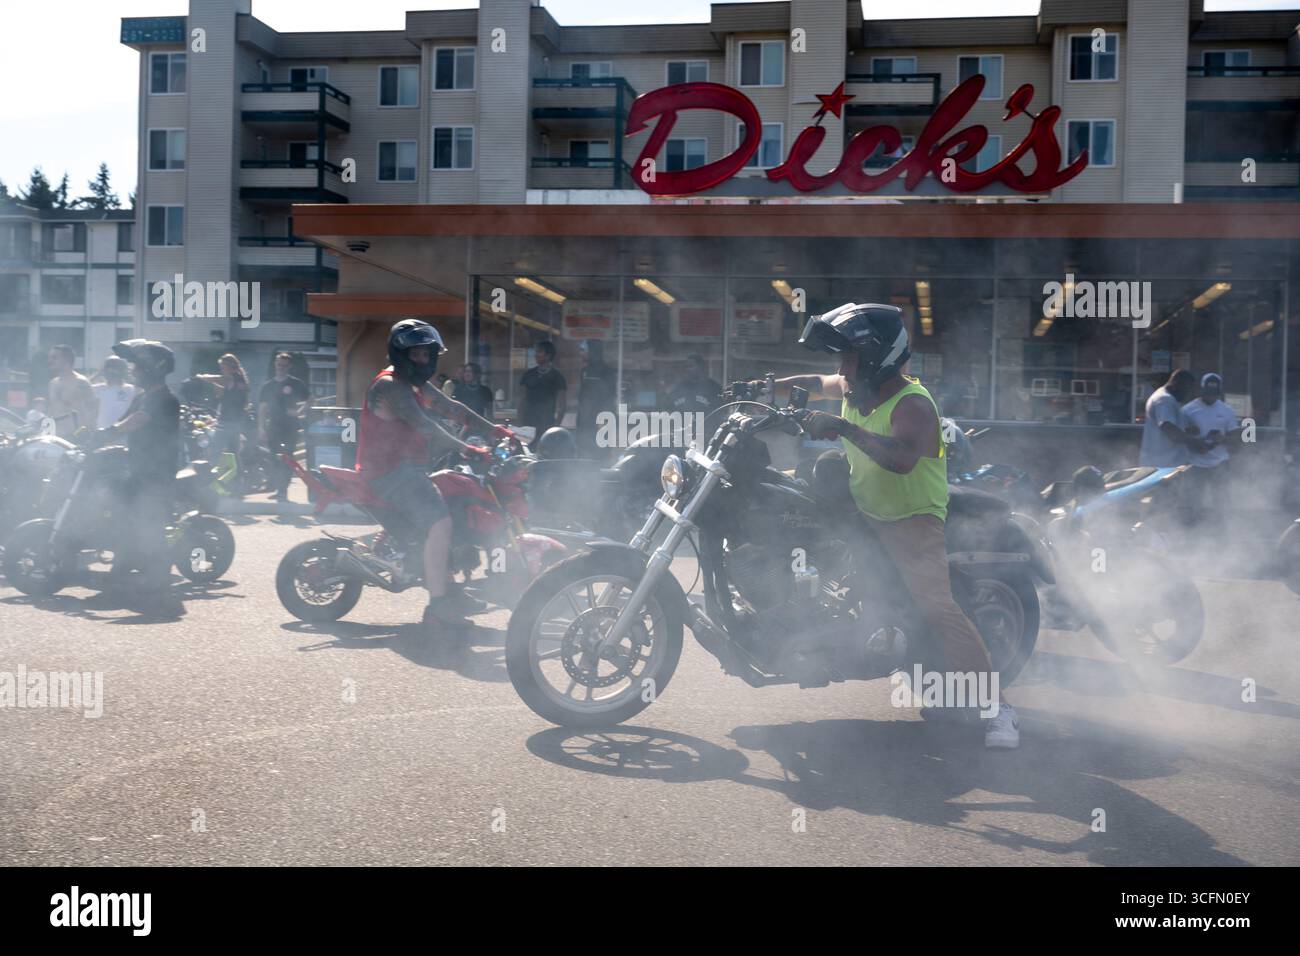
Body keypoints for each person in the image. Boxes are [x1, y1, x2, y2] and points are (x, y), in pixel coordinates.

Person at [765, 302, 1019, 749]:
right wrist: (766, 386)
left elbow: (901, 459)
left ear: (878, 355)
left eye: (849, 357)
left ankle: (998, 708)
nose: (842, 368)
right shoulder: (854, 387)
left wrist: (843, 428)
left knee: (940, 611)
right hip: (863, 510)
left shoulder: (914, 404)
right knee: (806, 490)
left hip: (911, 523)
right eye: (841, 359)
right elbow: (813, 382)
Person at [357, 319, 513, 631]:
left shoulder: (413, 383)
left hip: (409, 469)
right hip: (388, 474)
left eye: (427, 355)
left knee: (456, 505)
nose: (423, 360)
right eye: (416, 354)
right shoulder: (390, 386)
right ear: (400, 353)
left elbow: (450, 406)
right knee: (440, 523)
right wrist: (468, 449)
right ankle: (438, 607)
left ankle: (451, 589)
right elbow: (426, 426)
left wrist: (492, 429)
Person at [97, 339, 182, 613]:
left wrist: (110, 432)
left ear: (151, 368)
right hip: (137, 471)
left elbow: (137, 421)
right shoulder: (141, 396)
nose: (132, 370)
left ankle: (157, 588)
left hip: (156, 477)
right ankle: (121, 580)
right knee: (124, 520)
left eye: (136, 365)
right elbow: (124, 419)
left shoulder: (165, 399)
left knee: (149, 529)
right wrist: (97, 434)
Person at [1182, 372, 1240, 524]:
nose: (1211, 397)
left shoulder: (1227, 410)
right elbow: (1180, 437)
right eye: (1208, 393)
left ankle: (1223, 531)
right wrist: (1194, 442)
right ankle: (1190, 530)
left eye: (1214, 393)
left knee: (1222, 502)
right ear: (1201, 390)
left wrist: (1222, 439)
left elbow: (1237, 438)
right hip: (1194, 463)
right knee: (1192, 502)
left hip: (1219, 463)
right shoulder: (1188, 410)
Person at [258, 352, 310, 501]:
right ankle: (279, 488)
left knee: (287, 458)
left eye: (284, 365)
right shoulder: (268, 386)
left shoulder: (295, 383)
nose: (281, 367)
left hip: (290, 427)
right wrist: (261, 428)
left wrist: (298, 412)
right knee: (274, 458)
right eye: (279, 364)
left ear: (289, 367)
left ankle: (282, 490)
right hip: (273, 426)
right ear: (275, 364)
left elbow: (310, 399)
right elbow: (262, 409)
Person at [1139, 369, 1206, 467]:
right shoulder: (1164, 400)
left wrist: (1187, 430)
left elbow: (1166, 428)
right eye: (1187, 390)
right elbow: (1168, 428)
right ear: (1177, 384)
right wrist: (1194, 442)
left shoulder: (1166, 398)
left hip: (1164, 464)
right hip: (1161, 467)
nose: (1188, 395)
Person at [195, 353, 252, 458]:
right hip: (237, 421)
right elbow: (229, 395)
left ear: (229, 366)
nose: (221, 369)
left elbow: (217, 378)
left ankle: (211, 473)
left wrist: (202, 377)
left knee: (215, 451)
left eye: (222, 366)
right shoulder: (241, 380)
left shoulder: (231, 378)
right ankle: (237, 473)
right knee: (233, 453)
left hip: (227, 421)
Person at [46, 344, 97, 439]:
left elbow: (93, 411)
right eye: (49, 357)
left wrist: (85, 433)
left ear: (67, 360)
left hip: (76, 437)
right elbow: (52, 410)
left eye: (54, 357)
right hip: (56, 437)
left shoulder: (81, 382)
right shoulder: (52, 383)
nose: (50, 361)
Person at [575, 342, 616, 458]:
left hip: (599, 421)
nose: (581, 353)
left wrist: (605, 423)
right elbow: (582, 397)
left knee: (600, 454)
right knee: (584, 454)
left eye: (584, 350)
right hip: (585, 422)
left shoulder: (607, 372)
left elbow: (609, 398)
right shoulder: (584, 371)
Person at [519, 340, 567, 437]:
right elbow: (521, 400)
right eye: (536, 352)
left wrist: (555, 428)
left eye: (539, 352)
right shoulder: (528, 374)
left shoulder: (557, 377)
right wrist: (519, 423)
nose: (536, 355)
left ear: (548, 355)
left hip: (547, 424)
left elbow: (562, 406)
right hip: (528, 424)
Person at [92, 356, 140, 431]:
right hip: (102, 431)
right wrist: (97, 374)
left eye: (116, 368)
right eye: (109, 368)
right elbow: (83, 388)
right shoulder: (98, 388)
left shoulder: (131, 389)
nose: (113, 372)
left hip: (123, 431)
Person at [669, 353, 722, 417]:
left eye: (691, 366)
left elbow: (720, 411)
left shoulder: (714, 387)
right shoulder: (679, 387)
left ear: (701, 367)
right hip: (683, 426)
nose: (687, 369)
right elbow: (669, 407)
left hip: (707, 426)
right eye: (686, 367)